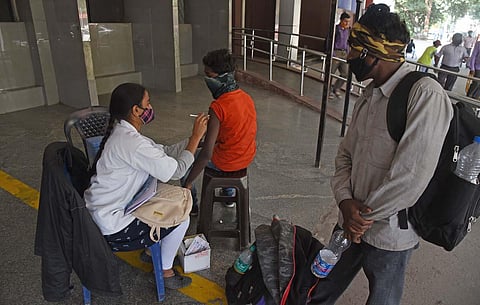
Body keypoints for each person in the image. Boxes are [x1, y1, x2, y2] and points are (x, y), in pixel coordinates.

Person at [314, 4, 453, 305]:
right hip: (350, 220)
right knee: (320, 290)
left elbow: (410, 178)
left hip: (389, 236)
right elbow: (344, 157)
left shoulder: (424, 95)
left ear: (372, 53)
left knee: (383, 299)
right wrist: (345, 202)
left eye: (353, 49)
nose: (348, 56)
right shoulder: (371, 92)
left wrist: (360, 218)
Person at [84, 83, 208, 290]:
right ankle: (165, 272)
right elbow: (176, 171)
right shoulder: (132, 143)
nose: (151, 107)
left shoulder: (125, 134)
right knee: (181, 216)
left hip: (103, 209)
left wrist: (195, 142)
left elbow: (165, 151)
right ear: (136, 110)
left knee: (171, 200)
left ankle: (151, 252)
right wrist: (195, 138)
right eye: (147, 103)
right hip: (112, 226)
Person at [183, 49, 257, 215]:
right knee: (222, 152)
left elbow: (207, 154)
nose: (206, 79)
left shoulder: (218, 107)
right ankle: (229, 193)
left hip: (227, 161)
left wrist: (188, 182)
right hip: (246, 157)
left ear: (222, 77)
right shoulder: (246, 98)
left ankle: (192, 205)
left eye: (209, 74)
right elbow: (233, 134)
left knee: (186, 161)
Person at [330, 12, 351, 99]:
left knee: (345, 74)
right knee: (331, 73)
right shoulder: (336, 29)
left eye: (348, 22)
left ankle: (336, 88)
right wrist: (332, 53)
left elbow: (348, 42)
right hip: (336, 52)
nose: (347, 23)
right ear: (341, 20)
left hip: (344, 53)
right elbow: (331, 40)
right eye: (345, 21)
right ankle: (328, 91)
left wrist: (348, 52)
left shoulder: (348, 31)